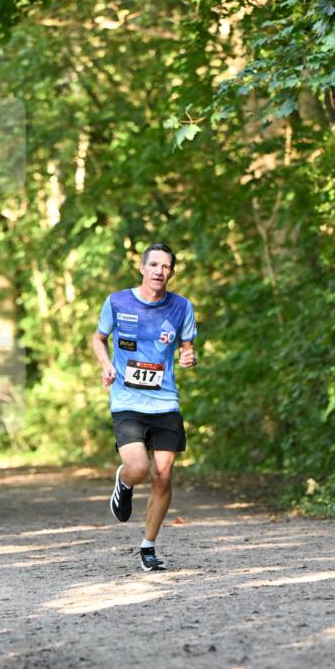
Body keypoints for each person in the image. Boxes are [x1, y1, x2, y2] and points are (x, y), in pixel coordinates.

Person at [92, 243, 197, 571]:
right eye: (153, 265)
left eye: (166, 267)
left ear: (171, 273)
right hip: (127, 401)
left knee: (163, 474)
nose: (159, 271)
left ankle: (148, 546)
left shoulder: (181, 307)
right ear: (142, 268)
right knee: (138, 469)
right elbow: (98, 338)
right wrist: (106, 365)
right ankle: (123, 483)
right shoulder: (117, 301)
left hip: (165, 401)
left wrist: (189, 356)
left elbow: (187, 346)